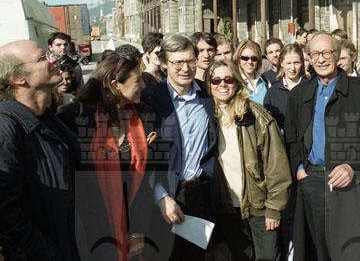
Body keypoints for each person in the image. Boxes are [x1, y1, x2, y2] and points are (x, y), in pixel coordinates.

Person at [285, 32, 360, 261]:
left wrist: (352, 167)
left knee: (352, 253)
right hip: (312, 183)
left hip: (351, 188)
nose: (321, 59)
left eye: (326, 53)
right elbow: (291, 140)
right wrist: (299, 168)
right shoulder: (299, 94)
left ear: (337, 54)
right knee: (318, 253)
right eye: (315, 54)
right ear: (308, 58)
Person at [58, 53, 169, 261]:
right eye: (137, 80)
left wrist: (138, 230)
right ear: (115, 84)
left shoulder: (144, 117)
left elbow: (146, 181)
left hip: (133, 225)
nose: (143, 86)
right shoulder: (74, 118)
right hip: (89, 230)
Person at [0, 40, 80, 260]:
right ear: (18, 78)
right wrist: (48, 253)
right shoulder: (6, 127)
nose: (54, 59)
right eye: (43, 57)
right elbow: (5, 214)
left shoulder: (48, 118)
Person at [141, 34, 218, 260]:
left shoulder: (208, 95)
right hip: (165, 198)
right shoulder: (149, 99)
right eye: (178, 62)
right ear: (164, 64)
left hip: (202, 195)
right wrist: (161, 196)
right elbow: (143, 157)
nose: (185, 68)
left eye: (190, 61)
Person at [205, 60, 291, 260]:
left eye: (228, 79)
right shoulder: (207, 116)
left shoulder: (256, 115)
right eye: (216, 80)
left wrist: (274, 208)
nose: (222, 85)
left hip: (260, 205)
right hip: (227, 207)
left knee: (267, 257)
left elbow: (276, 164)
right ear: (209, 85)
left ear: (237, 82)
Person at [263, 43, 306, 260]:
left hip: (305, 159)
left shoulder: (310, 87)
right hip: (282, 158)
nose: (292, 67)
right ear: (281, 64)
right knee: (287, 210)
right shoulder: (273, 92)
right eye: (288, 63)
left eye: (296, 62)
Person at [235, 40, 269, 104]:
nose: (250, 62)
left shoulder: (266, 81)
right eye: (245, 58)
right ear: (238, 59)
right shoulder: (235, 83)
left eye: (254, 58)